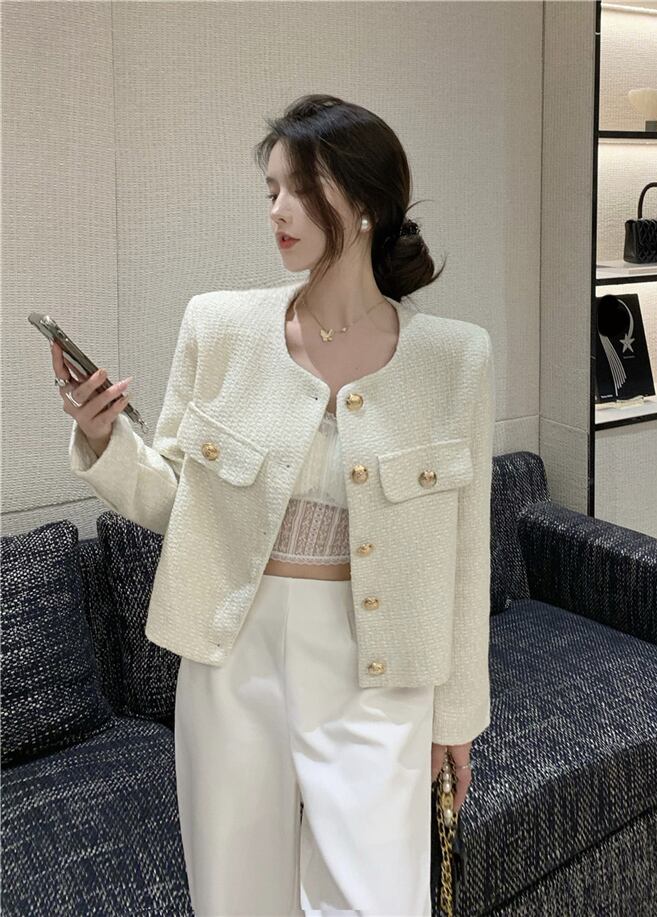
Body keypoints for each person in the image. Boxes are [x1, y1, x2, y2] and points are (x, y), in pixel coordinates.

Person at [55, 93, 495, 917]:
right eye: (271, 190)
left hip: (380, 670)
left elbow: (469, 557)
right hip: (235, 659)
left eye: (301, 188)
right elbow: (178, 502)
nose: (278, 210)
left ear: (364, 203)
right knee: (236, 898)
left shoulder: (455, 358)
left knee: (376, 901)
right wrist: (103, 436)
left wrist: (458, 715)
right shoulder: (219, 327)